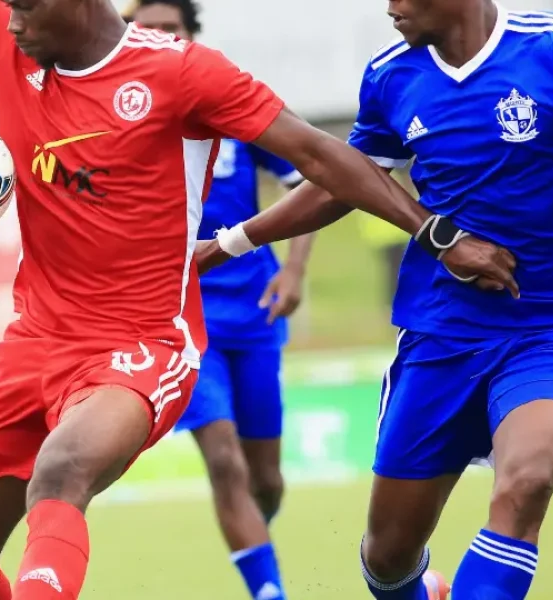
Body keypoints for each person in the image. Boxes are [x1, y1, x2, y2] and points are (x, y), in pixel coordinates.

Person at [0, 1, 516, 600]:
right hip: (32, 344)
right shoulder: (13, 42)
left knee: (62, 471)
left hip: (141, 345)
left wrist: (439, 235)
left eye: (24, 8)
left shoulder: (183, 74)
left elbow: (319, 154)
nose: (11, 22)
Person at [196, 2, 553, 599]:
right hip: (440, 338)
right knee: (390, 558)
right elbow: (342, 184)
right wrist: (227, 243)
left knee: (524, 483)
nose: (392, 6)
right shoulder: (391, 75)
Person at [130, 2, 312, 598]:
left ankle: (254, 542)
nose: (159, 38)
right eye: (147, 29)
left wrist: (294, 271)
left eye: (171, 29)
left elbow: (310, 184)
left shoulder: (225, 103)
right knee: (225, 460)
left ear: (190, 37)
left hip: (255, 314)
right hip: (179, 321)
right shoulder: (124, 117)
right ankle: (270, 592)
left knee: (267, 480)